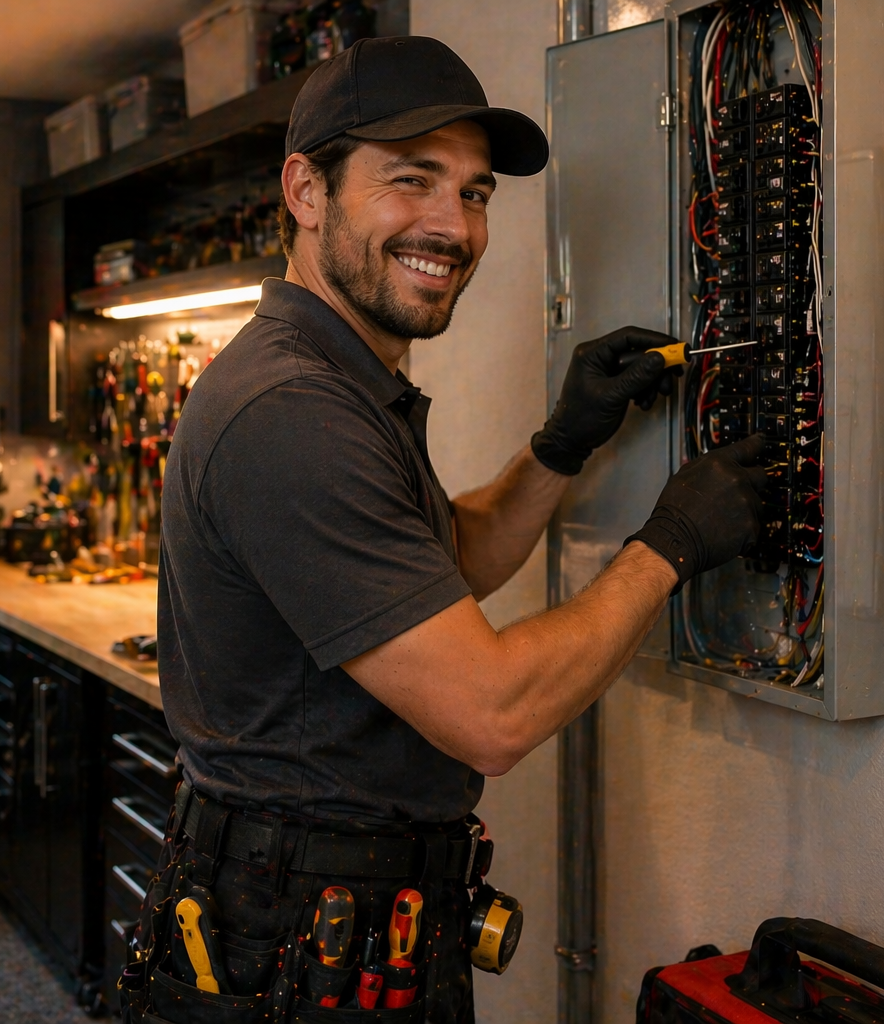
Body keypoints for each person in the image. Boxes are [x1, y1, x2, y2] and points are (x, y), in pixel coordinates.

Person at [129, 36, 766, 1024]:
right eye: (411, 180)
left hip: (339, 916)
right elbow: (490, 711)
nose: (452, 225)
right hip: (290, 943)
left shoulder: (339, 383)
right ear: (306, 189)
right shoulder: (291, 412)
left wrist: (563, 444)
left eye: (473, 193)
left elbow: (445, 567)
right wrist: (670, 544)